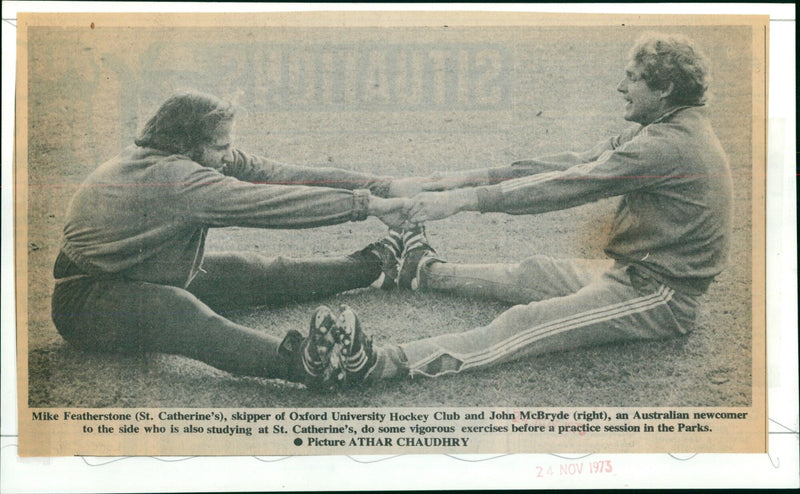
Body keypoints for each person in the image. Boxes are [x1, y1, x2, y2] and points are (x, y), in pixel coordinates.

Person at [309, 32, 734, 387]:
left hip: (659, 296)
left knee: (526, 323)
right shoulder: (664, 128)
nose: (622, 88)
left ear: (664, 89)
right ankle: (421, 271)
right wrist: (462, 179)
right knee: (533, 272)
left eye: (633, 79)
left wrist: (464, 200)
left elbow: (566, 186)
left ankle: (383, 362)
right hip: (631, 275)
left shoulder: (668, 146)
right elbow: (571, 163)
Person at [50, 90, 415, 389]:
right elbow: (273, 204)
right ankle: (304, 362)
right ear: (189, 144)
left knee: (256, 270)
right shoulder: (176, 180)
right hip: (84, 302)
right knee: (178, 310)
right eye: (222, 147)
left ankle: (378, 264)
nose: (229, 156)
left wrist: (376, 187)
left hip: (138, 272)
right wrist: (366, 206)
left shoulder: (180, 155)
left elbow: (276, 176)